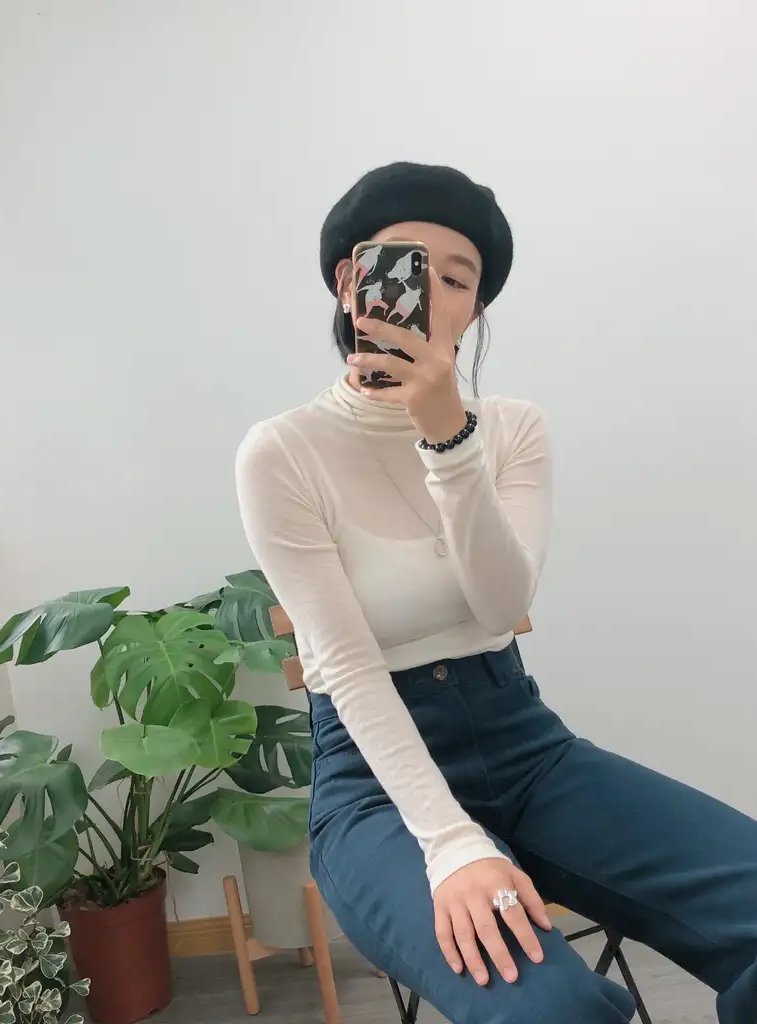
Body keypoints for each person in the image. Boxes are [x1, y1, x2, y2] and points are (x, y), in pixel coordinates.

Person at [235, 162, 757, 1023]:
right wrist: (450, 844)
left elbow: (495, 605)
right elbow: (345, 665)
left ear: (474, 310)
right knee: (546, 1008)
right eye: (406, 266)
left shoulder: (512, 429)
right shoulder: (283, 452)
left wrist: (448, 439)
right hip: (372, 782)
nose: (431, 293)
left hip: (525, 748)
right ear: (350, 281)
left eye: (458, 279)